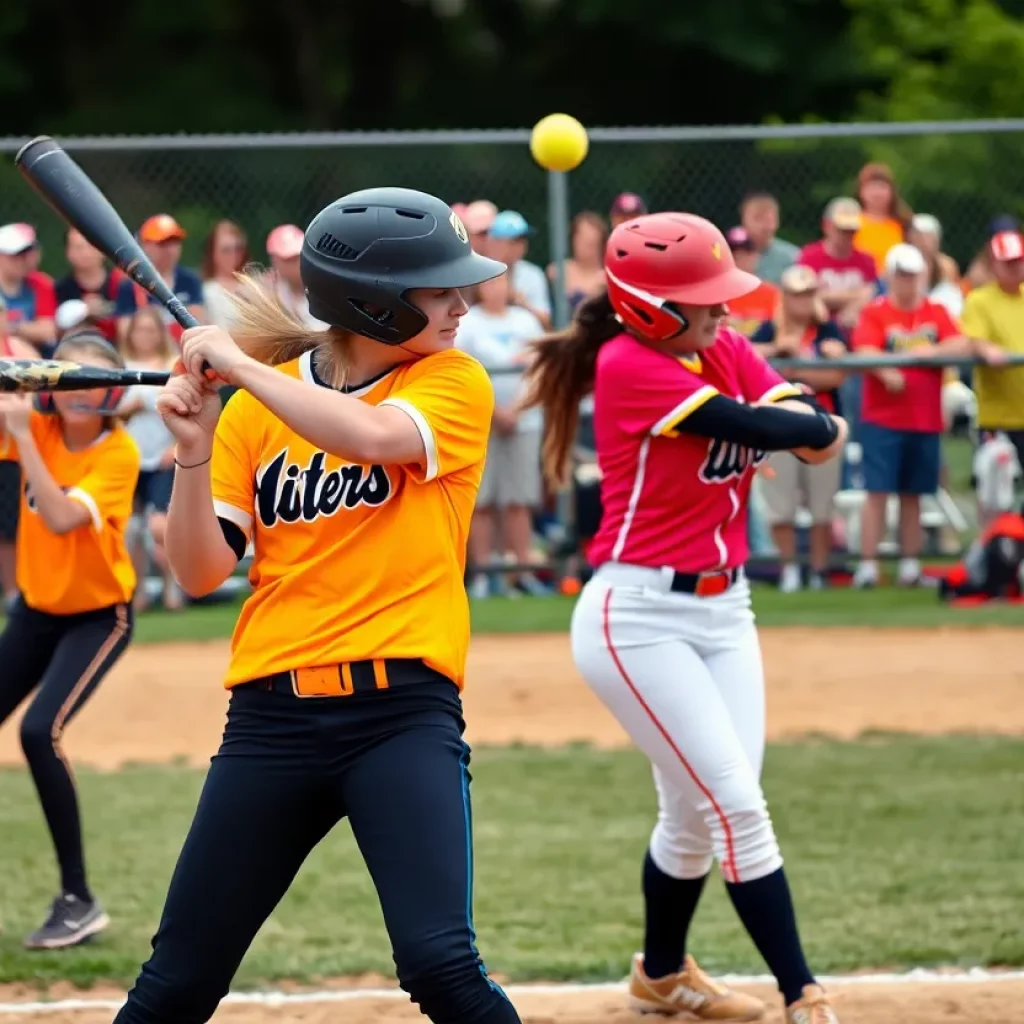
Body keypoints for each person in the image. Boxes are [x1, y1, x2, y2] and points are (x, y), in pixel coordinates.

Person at [111, 188, 523, 1024]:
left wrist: (244, 373)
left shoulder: (454, 381)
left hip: (400, 715)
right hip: (271, 721)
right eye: (438, 288)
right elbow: (196, 570)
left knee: (441, 965)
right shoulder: (254, 416)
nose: (460, 302)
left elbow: (369, 436)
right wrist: (193, 452)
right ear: (370, 303)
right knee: (178, 982)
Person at [522, 212, 847, 1024]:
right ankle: (804, 994)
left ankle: (661, 978)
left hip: (726, 610)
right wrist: (809, 420)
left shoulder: (718, 347)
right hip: (637, 619)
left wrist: (808, 422)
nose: (724, 314)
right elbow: (773, 426)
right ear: (649, 309)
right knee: (737, 805)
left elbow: (805, 429)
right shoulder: (630, 365)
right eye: (704, 302)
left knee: (700, 813)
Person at [0, 330, 139, 949]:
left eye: (94, 381)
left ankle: (78, 899)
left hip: (97, 616)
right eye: (68, 379)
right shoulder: (38, 425)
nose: (81, 391)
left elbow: (57, 519)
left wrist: (24, 431)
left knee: (38, 730)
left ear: (112, 392)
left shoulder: (118, 454)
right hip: (36, 609)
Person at [851, 243, 1003, 588]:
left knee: (913, 494)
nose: (909, 282)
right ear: (890, 276)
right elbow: (863, 347)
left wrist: (929, 351)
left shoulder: (934, 310)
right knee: (877, 493)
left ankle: (909, 564)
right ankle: (868, 565)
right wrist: (885, 369)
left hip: (923, 417)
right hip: (882, 418)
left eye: (914, 275)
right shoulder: (877, 311)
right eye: (902, 275)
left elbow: (961, 343)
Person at [751, 265, 848, 591]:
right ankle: (790, 570)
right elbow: (748, 358)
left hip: (821, 423)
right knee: (781, 504)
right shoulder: (769, 329)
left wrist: (796, 367)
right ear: (786, 297)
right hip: (778, 427)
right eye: (796, 294)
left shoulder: (826, 330)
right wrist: (782, 351)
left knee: (822, 503)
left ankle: (819, 571)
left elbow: (835, 376)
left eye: (808, 294)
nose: (803, 301)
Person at [458, 271, 548, 598]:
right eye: (489, 281)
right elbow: (461, 372)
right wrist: (496, 413)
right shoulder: (468, 323)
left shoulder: (526, 322)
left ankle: (520, 574)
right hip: (483, 423)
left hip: (525, 422)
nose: (496, 287)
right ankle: (482, 575)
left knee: (518, 501)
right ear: (479, 286)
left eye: (501, 281)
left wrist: (518, 410)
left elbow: (541, 370)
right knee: (481, 501)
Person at [118, 307, 183, 611]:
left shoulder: (173, 366)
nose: (145, 336)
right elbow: (111, 418)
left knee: (159, 526)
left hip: (161, 458)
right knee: (131, 529)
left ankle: (174, 586)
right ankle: (139, 590)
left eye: (150, 330)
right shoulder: (120, 367)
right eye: (139, 330)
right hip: (130, 457)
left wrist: (175, 446)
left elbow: (186, 411)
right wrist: (127, 409)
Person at [960, 228, 1024, 524]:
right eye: (1008, 262)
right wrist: (987, 349)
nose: (1016, 268)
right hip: (998, 417)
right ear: (994, 265)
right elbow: (974, 339)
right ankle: (993, 555)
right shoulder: (980, 300)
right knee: (994, 493)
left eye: (1019, 261)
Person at [0, 298, 40, 607]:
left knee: (12, 528)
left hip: (11, 455)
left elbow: (40, 400)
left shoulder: (20, 351)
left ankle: (16, 593)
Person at [115, 214, 206, 345]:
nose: (170, 249)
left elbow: (198, 324)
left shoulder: (189, 280)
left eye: (175, 242)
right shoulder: (130, 285)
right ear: (144, 246)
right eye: (163, 243)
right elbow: (125, 333)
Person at [797, 198, 878, 330]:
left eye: (852, 230)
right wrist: (856, 297)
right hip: (818, 328)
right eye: (842, 229)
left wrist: (828, 298)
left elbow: (871, 297)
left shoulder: (867, 260)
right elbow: (805, 298)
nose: (847, 235)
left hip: (855, 327)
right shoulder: (809, 257)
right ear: (826, 226)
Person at [853, 162, 911, 273]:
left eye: (882, 187)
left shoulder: (904, 224)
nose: (877, 193)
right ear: (861, 191)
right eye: (871, 187)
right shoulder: (852, 223)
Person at [739, 192, 800, 286]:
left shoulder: (793, 257)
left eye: (768, 219)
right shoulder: (730, 255)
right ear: (743, 220)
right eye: (757, 218)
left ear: (777, 222)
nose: (763, 226)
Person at [200, 220, 251, 328]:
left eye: (237, 249)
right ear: (213, 253)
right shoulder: (206, 292)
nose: (233, 255)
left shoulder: (252, 286)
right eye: (226, 250)